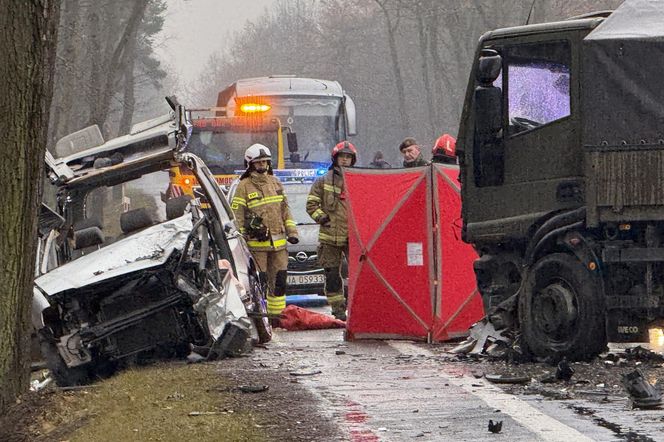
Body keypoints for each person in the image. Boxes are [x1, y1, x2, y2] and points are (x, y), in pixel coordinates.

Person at [231, 143, 299, 322]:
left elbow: (285, 210)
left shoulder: (276, 182)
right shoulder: (243, 186)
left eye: (265, 162)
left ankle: (277, 317)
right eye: (258, 163)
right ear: (250, 164)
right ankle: (263, 318)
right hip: (257, 246)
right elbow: (237, 215)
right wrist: (243, 237)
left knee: (279, 282)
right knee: (259, 283)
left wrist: (292, 232)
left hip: (279, 246)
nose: (262, 166)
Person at [306, 141, 357, 320]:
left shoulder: (358, 180)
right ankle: (338, 310)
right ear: (335, 159)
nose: (345, 160)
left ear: (353, 160)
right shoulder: (323, 180)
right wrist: (322, 217)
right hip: (329, 237)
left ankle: (358, 307)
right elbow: (311, 204)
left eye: (348, 157)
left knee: (358, 274)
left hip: (353, 237)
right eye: (342, 157)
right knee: (332, 274)